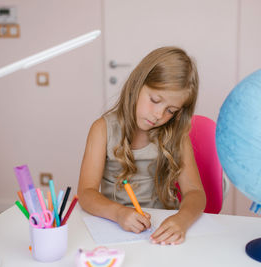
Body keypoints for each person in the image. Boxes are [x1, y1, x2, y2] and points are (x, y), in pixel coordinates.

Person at [77, 46, 206, 245]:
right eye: (155, 100)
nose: (158, 115)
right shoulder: (102, 129)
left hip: (161, 231)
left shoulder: (176, 136)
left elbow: (196, 193)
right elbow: (86, 193)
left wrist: (182, 219)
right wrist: (119, 213)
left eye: (170, 110)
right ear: (137, 84)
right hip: (114, 226)